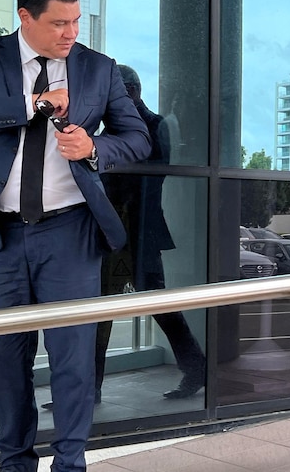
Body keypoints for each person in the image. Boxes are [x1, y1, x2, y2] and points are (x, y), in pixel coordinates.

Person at [0, 0, 151, 472]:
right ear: (25, 18)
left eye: (76, 21)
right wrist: (35, 104)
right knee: (7, 360)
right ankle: (14, 463)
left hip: (70, 231)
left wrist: (95, 146)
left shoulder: (99, 69)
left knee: (72, 359)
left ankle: (69, 464)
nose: (71, 33)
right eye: (59, 23)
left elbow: (139, 138)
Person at [41, 65, 205, 410]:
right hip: (112, 229)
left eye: (115, 91)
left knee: (158, 306)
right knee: (99, 311)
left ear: (131, 92)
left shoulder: (152, 126)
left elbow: (148, 182)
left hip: (136, 230)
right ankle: (91, 389)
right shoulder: (108, 128)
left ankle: (196, 368)